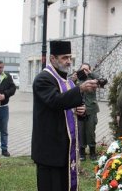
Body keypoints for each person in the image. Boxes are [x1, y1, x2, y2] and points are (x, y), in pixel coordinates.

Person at [32, 40, 98, 191]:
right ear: (52, 59)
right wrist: (80, 89)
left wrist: (80, 111)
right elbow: (55, 101)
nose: (68, 61)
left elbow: (70, 105)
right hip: (49, 148)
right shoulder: (43, 79)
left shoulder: (66, 81)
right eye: (64, 58)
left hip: (64, 147)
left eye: (69, 57)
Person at [73, 63, 100, 161]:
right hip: (80, 110)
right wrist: (74, 79)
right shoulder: (77, 80)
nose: (84, 71)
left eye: (86, 69)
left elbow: (102, 80)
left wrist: (91, 73)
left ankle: (93, 152)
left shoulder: (92, 80)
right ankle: (82, 153)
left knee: (90, 132)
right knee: (81, 132)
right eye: (82, 69)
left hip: (91, 109)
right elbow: (68, 88)